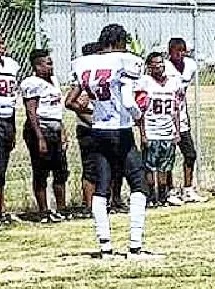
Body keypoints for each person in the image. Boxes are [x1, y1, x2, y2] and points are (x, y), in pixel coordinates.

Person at [66, 23, 151, 259]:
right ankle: (135, 246)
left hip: (98, 128)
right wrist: (138, 115)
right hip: (119, 129)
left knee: (101, 186)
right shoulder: (123, 60)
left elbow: (76, 95)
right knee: (139, 184)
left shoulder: (83, 63)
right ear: (117, 42)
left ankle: (105, 247)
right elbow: (127, 99)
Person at [21, 49, 69, 223]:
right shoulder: (31, 83)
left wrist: (62, 130)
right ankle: (43, 210)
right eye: (47, 63)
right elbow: (31, 111)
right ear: (37, 66)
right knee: (41, 171)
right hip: (41, 129)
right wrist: (39, 137)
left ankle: (61, 208)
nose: (51, 67)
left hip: (55, 127)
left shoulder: (54, 81)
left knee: (60, 170)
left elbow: (57, 109)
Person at [136, 51, 182, 207]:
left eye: (160, 63)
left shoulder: (173, 83)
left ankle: (162, 195)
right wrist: (143, 134)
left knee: (164, 166)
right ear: (149, 67)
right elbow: (140, 112)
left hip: (167, 131)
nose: (158, 67)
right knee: (149, 166)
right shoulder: (145, 83)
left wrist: (177, 131)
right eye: (154, 64)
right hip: (152, 130)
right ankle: (150, 195)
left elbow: (176, 110)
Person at [165, 37, 206, 203]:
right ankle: (169, 190)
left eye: (182, 51)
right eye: (177, 51)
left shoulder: (189, 65)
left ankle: (188, 189)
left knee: (190, 154)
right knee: (168, 157)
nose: (180, 54)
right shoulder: (165, 67)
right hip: (166, 118)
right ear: (170, 52)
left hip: (181, 117)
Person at [69, 41, 99, 216]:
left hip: (102, 127)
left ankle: (106, 201)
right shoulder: (82, 78)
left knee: (105, 166)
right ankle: (89, 205)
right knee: (90, 167)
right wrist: (93, 121)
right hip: (88, 129)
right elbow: (76, 106)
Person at [0, 33, 19, 224]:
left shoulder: (11, 65)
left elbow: (12, 99)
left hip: (7, 118)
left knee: (2, 166)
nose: (2, 45)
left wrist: (12, 127)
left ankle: (2, 208)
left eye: (2, 40)